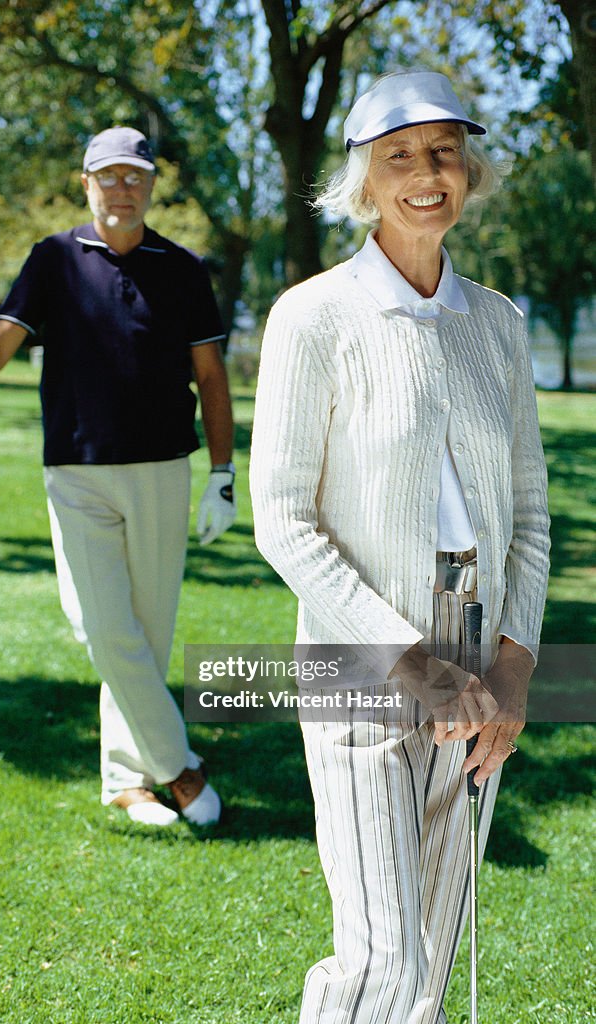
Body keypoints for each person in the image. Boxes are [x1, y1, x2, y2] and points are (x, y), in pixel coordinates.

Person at [250, 70, 550, 1023]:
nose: (428, 174)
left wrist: (515, 661)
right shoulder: (312, 316)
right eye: (400, 157)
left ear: (470, 170)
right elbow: (284, 522)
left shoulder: (497, 323)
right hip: (361, 656)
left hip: (479, 649)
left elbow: (533, 518)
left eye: (445, 152)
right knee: (382, 956)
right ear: (364, 181)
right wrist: (410, 660)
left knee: (433, 953)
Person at [0, 126, 236, 828]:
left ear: (150, 185)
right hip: (77, 474)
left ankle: (125, 778)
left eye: (134, 176)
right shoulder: (53, 259)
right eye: (107, 176)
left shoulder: (183, 268)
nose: (122, 188)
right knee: (103, 628)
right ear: (86, 183)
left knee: (145, 633)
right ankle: (181, 769)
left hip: (164, 470)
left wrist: (223, 473)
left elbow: (211, 374)